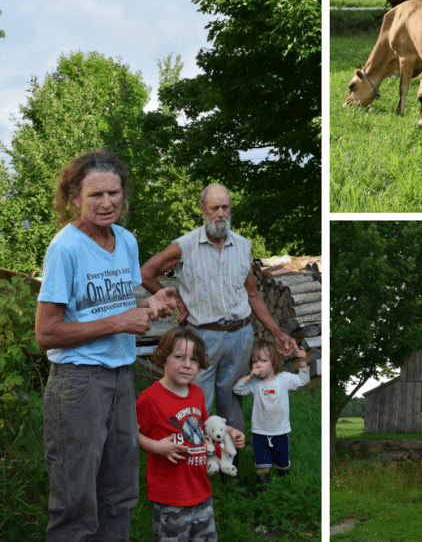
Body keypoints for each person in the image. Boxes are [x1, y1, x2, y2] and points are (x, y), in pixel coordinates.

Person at [35, 149, 178, 542]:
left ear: (123, 194)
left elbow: (116, 303)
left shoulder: (127, 241)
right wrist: (119, 322)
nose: (106, 203)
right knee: (75, 503)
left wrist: (149, 303)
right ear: (74, 197)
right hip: (78, 383)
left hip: (120, 377)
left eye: (113, 193)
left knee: (120, 495)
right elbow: (47, 333)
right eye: (95, 195)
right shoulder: (65, 249)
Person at [140, 183, 300, 445]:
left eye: (225, 207)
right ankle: (197, 459)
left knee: (232, 398)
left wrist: (277, 332)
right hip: (201, 337)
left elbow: (253, 295)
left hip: (240, 336)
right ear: (203, 209)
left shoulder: (243, 247)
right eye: (214, 208)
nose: (221, 214)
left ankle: (230, 465)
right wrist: (176, 300)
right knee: (195, 399)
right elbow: (146, 273)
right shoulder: (185, 246)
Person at [136, 326, 245, 542]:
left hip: (200, 490)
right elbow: (130, 435)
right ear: (163, 357)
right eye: (179, 357)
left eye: (194, 360)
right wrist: (157, 447)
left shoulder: (196, 393)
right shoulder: (150, 398)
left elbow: (205, 424)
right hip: (170, 497)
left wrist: (228, 431)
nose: (187, 365)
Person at [233, 339, 310, 491]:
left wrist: (302, 361)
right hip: (260, 433)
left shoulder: (284, 379)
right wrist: (249, 376)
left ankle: (285, 489)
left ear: (274, 363)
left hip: (280, 432)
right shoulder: (254, 383)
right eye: (254, 362)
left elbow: (303, 380)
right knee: (262, 466)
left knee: (282, 464)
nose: (258, 365)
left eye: (263, 360)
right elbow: (238, 389)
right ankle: (264, 494)